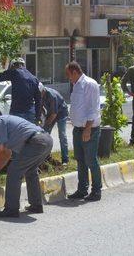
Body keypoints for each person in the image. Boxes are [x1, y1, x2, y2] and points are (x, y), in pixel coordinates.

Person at [0, 110, 53, 218]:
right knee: (30, 171)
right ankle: (36, 205)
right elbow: (7, 153)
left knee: (13, 172)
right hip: (46, 140)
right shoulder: (2, 121)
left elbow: (1, 151)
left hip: (36, 142)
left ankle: (11, 209)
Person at [65, 61, 102, 202]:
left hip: (89, 129)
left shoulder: (89, 84)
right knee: (80, 160)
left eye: (69, 75)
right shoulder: (76, 85)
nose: (68, 78)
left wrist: (87, 129)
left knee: (91, 160)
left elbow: (93, 109)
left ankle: (96, 191)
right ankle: (82, 190)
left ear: (75, 72)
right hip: (78, 129)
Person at [0, 58, 42, 123]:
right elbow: (38, 100)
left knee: (14, 132)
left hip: (17, 112)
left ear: (12, 66)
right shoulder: (34, 78)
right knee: (28, 132)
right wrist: (38, 117)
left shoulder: (14, 72)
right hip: (30, 113)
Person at [39, 83, 69, 164]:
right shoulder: (40, 94)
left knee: (62, 135)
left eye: (40, 93)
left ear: (43, 90)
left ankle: (65, 160)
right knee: (45, 135)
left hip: (61, 114)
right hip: (51, 113)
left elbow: (54, 114)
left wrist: (45, 125)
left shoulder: (52, 96)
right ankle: (46, 157)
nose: (39, 95)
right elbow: (40, 108)